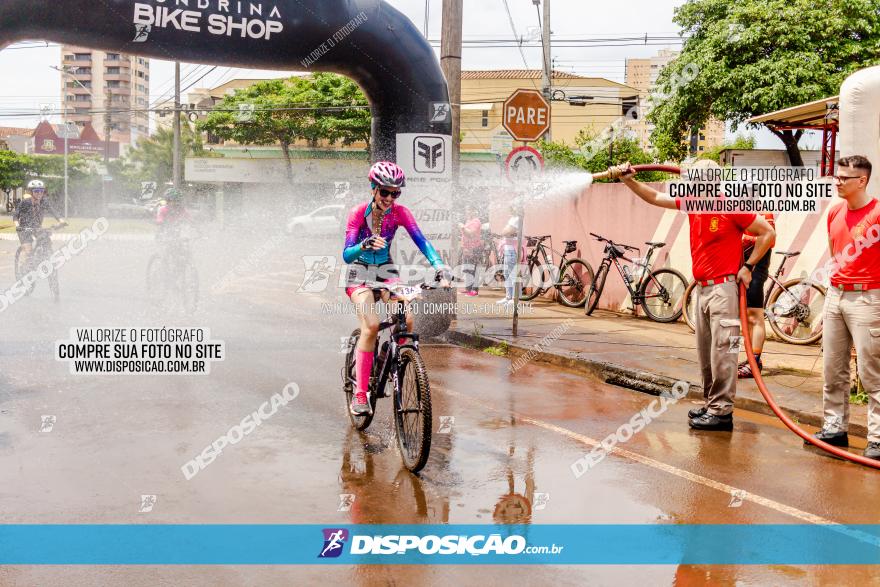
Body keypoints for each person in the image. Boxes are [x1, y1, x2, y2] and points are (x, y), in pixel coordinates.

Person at [611, 160, 774, 431]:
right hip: (702, 289)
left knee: (724, 351)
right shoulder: (695, 203)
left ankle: (722, 411)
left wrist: (748, 267)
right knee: (706, 353)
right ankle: (712, 404)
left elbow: (767, 233)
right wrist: (628, 180)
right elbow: (655, 196)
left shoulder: (729, 205)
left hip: (724, 290)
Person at [342, 161, 451, 416]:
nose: (390, 198)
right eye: (385, 192)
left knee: (407, 320)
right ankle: (360, 394)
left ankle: (394, 363)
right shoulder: (358, 213)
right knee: (370, 325)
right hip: (359, 272)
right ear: (373, 189)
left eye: (396, 193)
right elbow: (346, 255)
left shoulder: (401, 213)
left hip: (386, 270)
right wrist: (364, 244)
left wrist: (439, 267)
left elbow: (422, 241)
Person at [812, 155, 880, 460]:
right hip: (836, 295)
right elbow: (835, 256)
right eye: (836, 177)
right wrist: (827, 300)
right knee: (833, 370)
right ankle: (834, 428)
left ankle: (877, 439)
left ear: (861, 181)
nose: (837, 182)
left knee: (872, 373)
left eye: (844, 178)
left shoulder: (877, 213)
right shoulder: (835, 213)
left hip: (868, 299)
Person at [738, 213, 776, 378]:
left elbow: (770, 239)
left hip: (755, 266)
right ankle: (748, 359)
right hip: (738, 266)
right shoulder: (734, 210)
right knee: (741, 316)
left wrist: (743, 238)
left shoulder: (764, 214)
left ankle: (755, 360)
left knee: (754, 315)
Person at [13, 179, 66, 266]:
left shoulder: (44, 202)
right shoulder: (25, 202)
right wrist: (17, 225)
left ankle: (47, 258)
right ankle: (25, 268)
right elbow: (15, 216)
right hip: (24, 229)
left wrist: (61, 221)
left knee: (45, 239)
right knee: (29, 252)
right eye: (36, 191)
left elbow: (54, 212)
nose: (39, 193)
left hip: (37, 227)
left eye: (42, 191)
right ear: (31, 192)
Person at [498, 202, 524, 306]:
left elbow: (505, 232)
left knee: (514, 274)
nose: (510, 208)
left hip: (513, 249)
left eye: (513, 205)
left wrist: (505, 231)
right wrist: (505, 231)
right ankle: (508, 297)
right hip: (508, 249)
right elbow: (505, 232)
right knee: (507, 274)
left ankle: (515, 299)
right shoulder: (513, 218)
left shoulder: (518, 218)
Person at [458, 204, 485, 297]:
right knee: (468, 269)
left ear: (474, 211)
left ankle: (474, 290)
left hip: (474, 249)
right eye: (466, 210)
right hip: (467, 249)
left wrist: (462, 227)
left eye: (469, 210)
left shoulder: (476, 221)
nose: (467, 212)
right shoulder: (468, 221)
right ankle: (468, 289)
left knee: (474, 270)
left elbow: (471, 234)